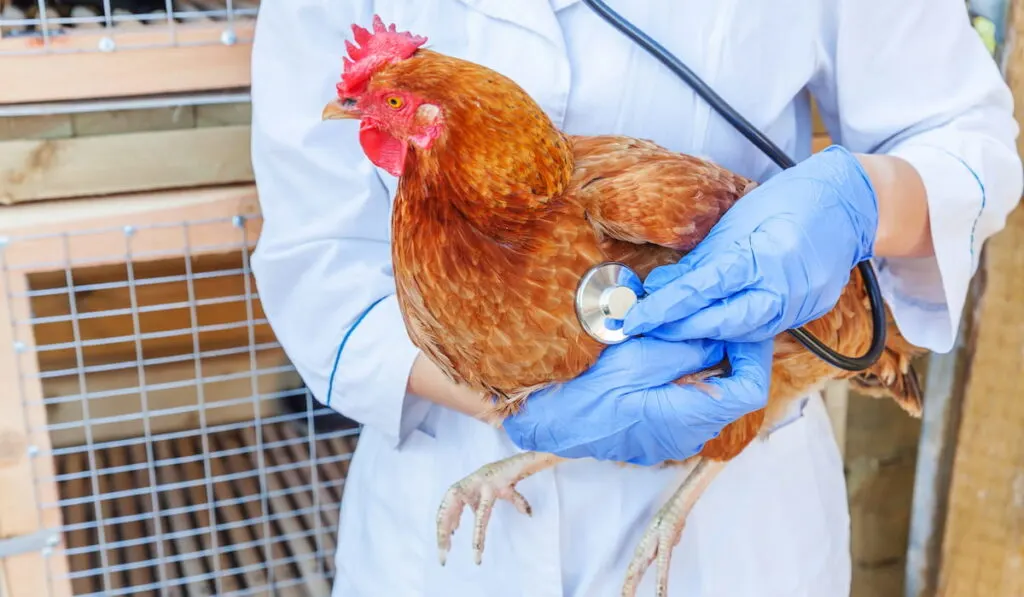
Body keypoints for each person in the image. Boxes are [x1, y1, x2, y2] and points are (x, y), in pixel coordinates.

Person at [248, 1, 1023, 595]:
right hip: (450, 504)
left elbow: (963, 139)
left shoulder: (634, 198)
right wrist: (513, 407)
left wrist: (866, 197)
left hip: (737, 508)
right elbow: (317, 254)